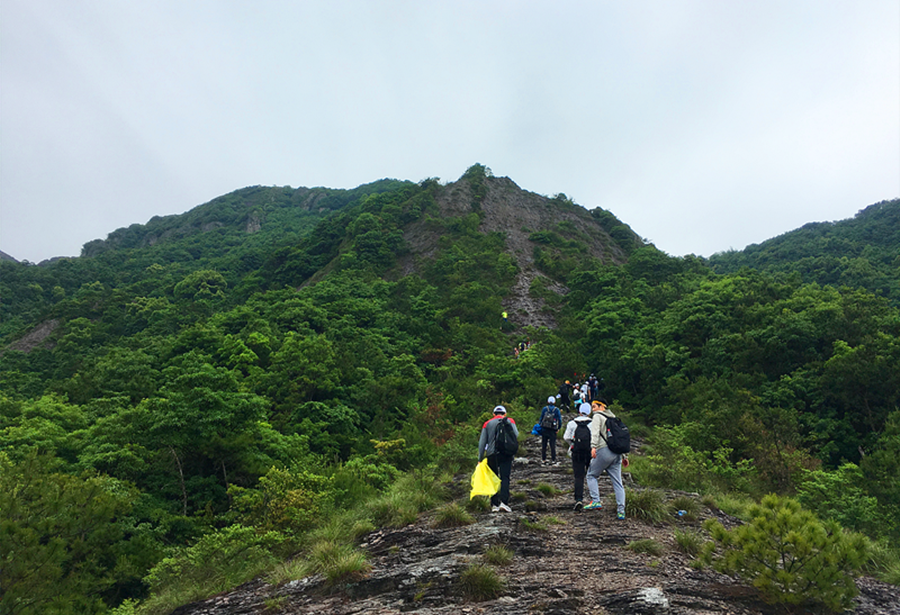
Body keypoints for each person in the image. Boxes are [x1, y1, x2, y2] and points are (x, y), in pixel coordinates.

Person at [583, 398, 626, 519]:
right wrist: (624, 456)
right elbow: (619, 438)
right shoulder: (613, 418)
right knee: (618, 483)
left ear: (602, 407)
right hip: (616, 453)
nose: (593, 409)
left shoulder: (597, 417)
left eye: (595, 406)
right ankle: (621, 510)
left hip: (603, 450)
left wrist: (593, 447)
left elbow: (595, 433)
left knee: (591, 475)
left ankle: (596, 500)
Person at [477, 405, 519, 513]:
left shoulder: (487, 423)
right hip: (506, 453)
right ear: (505, 414)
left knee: (492, 478)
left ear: (493, 414)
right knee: (505, 477)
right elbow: (516, 435)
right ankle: (504, 503)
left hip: (492, 454)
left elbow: (482, 442)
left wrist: (480, 458)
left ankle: (494, 504)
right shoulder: (510, 421)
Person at [563, 402, 594, 510]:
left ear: (579, 411)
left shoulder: (572, 423)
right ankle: (593, 499)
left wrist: (572, 444)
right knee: (591, 475)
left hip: (576, 452)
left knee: (578, 476)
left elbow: (566, 437)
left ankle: (579, 499)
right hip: (590, 452)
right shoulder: (593, 423)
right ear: (590, 412)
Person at [538, 396, 562, 465]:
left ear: (548, 401)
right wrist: (558, 428)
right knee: (552, 445)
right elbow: (559, 420)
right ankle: (553, 459)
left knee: (544, 445)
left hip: (545, 429)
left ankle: (543, 459)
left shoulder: (545, 409)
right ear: (554, 402)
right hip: (553, 429)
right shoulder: (556, 410)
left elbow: (541, 418)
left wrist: (540, 426)